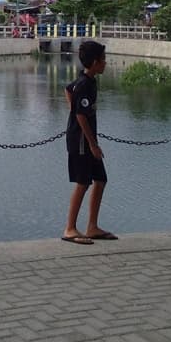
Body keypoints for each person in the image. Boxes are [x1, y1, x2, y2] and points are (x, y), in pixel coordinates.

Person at [62, 39, 117, 244]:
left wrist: (72, 107)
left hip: (89, 140)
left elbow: (68, 89)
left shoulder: (87, 81)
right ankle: (69, 228)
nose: (105, 63)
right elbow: (81, 116)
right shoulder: (84, 84)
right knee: (83, 183)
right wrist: (93, 144)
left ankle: (92, 226)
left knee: (100, 179)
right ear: (94, 62)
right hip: (81, 142)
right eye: (103, 60)